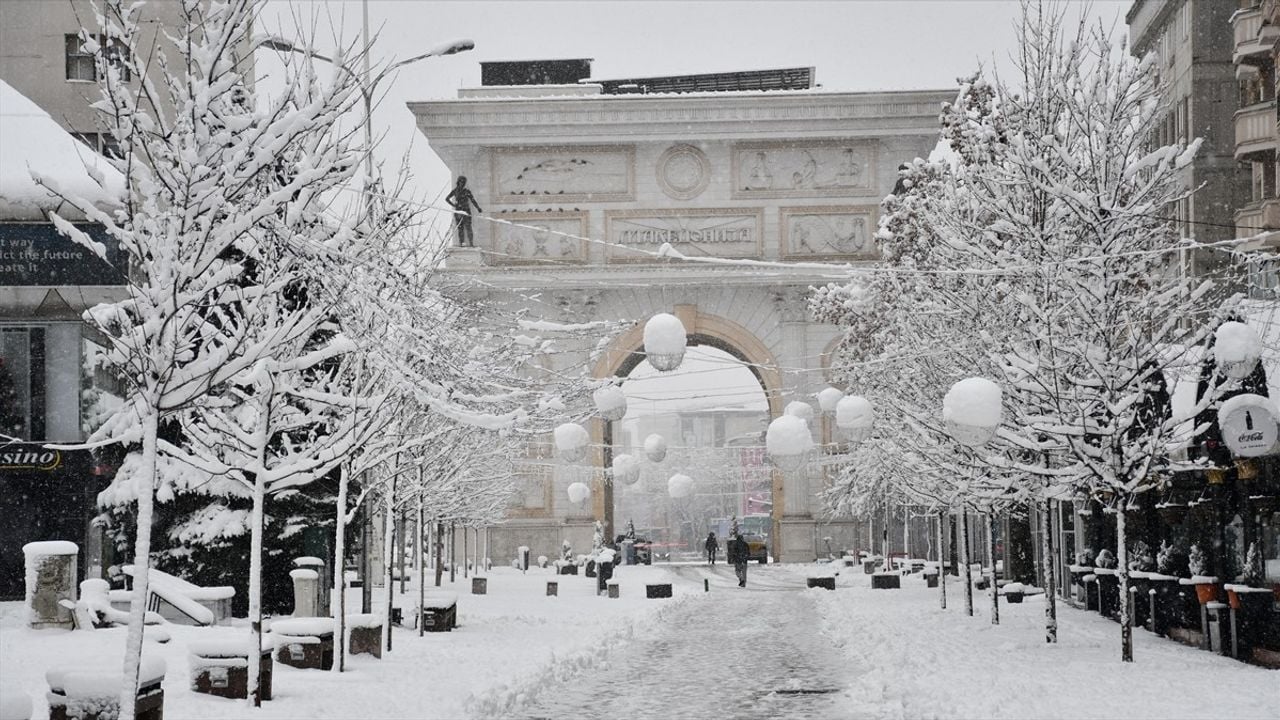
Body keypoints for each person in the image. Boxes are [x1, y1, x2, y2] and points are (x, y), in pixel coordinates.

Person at [445, 175, 483, 247]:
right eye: (461, 182)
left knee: (468, 227)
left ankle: (471, 243)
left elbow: (473, 200)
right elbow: (446, 199)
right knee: (460, 228)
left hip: (466, 211)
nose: (462, 183)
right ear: (458, 182)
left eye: (463, 182)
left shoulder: (466, 191)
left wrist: (478, 208)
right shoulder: (455, 191)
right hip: (459, 211)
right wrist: (454, 205)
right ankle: (462, 243)